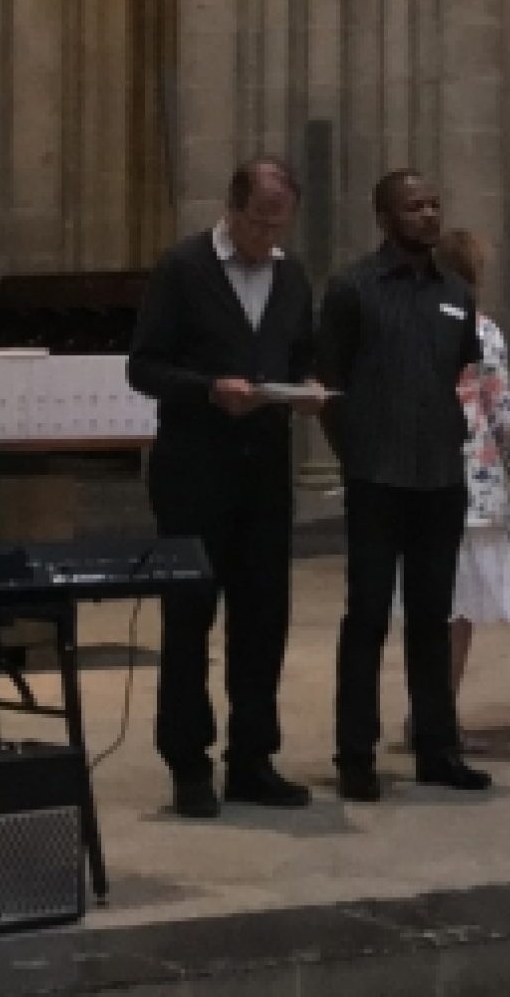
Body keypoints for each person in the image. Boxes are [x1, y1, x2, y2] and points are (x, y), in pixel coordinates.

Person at [128, 156, 319, 819]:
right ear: (232, 210)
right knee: (189, 617)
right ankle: (188, 763)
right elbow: (144, 367)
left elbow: (301, 354)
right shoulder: (183, 268)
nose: (268, 236)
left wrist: (307, 389)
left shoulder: (292, 277)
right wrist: (210, 389)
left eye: (280, 224)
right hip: (194, 469)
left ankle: (252, 759)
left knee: (263, 617)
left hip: (264, 470)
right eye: (259, 222)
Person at [317, 169, 493, 801]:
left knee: (431, 616)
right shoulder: (352, 288)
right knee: (367, 616)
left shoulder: (455, 293)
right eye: (414, 206)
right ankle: (356, 754)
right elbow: (329, 386)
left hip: (440, 476)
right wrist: (358, 455)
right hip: (376, 477)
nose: (428, 215)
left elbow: (460, 371)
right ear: (385, 218)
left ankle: (437, 748)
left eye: (434, 204)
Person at [434, 228, 510, 743]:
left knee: (431, 601)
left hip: (421, 473)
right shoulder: (480, 330)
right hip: (474, 481)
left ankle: (426, 707)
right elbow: (503, 414)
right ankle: (439, 712)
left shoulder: (417, 322)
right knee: (458, 605)